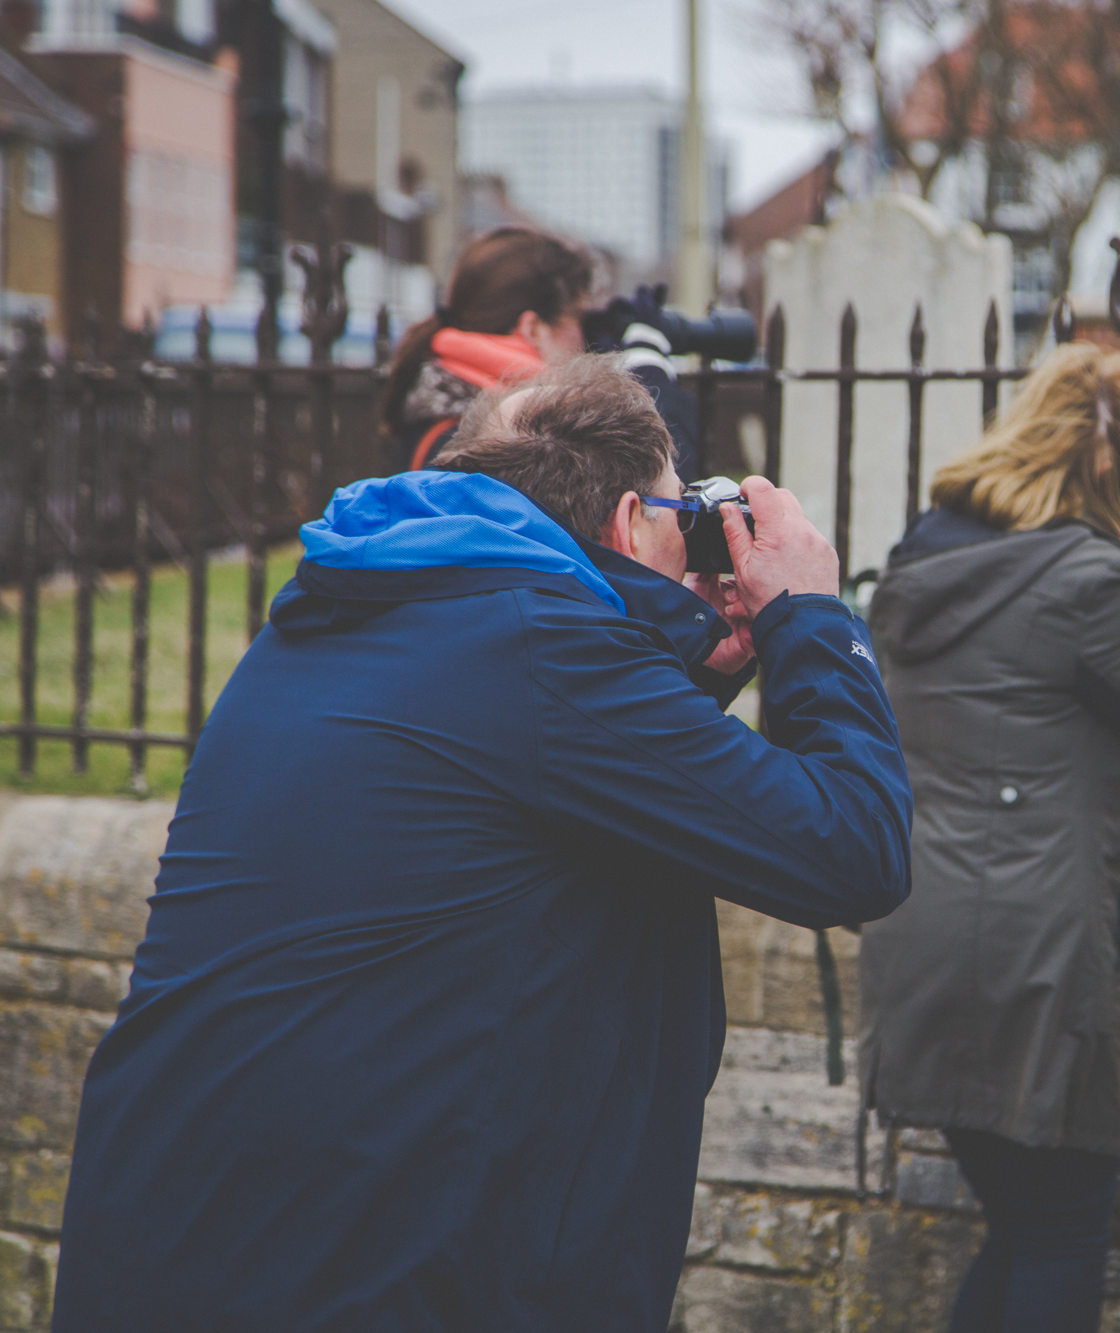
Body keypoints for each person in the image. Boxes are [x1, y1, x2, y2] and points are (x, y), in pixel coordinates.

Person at [53, 355, 913, 1332]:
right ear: (631, 523)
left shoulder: (358, 600)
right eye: (684, 515)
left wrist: (692, 658)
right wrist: (808, 616)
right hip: (355, 1273)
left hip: (180, 1237)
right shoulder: (548, 654)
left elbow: (544, 786)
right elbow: (856, 846)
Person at [858, 341, 1120, 1332]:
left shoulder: (928, 555)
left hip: (922, 927)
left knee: (1025, 1224)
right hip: (1036, 950)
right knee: (1063, 1227)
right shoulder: (1082, 584)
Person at [381, 225, 596, 469]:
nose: (584, 337)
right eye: (578, 316)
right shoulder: (494, 442)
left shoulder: (445, 409)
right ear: (533, 328)